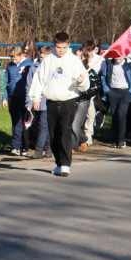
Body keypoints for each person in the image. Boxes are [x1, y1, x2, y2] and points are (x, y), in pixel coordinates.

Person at [27, 32, 89, 176]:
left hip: (68, 101)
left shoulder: (74, 61)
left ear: (68, 45)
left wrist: (81, 82)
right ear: (54, 46)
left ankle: (66, 164)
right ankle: (58, 163)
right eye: (58, 47)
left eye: (64, 47)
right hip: (51, 102)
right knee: (54, 133)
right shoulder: (48, 60)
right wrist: (36, 97)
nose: (61, 50)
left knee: (65, 132)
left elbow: (84, 84)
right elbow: (39, 79)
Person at [100, 54, 131, 148]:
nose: (117, 60)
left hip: (125, 92)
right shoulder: (109, 64)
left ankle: (121, 139)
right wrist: (107, 90)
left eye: (120, 58)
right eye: (116, 58)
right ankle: (115, 139)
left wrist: (130, 92)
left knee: (121, 114)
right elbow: (103, 77)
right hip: (113, 92)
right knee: (114, 115)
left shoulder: (130, 64)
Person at [71, 45, 102, 153]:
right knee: (69, 123)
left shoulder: (90, 71)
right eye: (76, 55)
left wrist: (84, 93)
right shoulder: (71, 70)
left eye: (80, 56)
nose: (77, 58)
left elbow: (96, 87)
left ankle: (74, 147)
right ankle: (84, 138)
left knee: (75, 124)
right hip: (71, 99)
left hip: (83, 100)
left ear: (84, 57)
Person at [25, 44, 53, 159]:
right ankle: (48, 146)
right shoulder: (33, 68)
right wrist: (29, 102)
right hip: (37, 101)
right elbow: (29, 85)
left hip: (48, 101)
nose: (42, 60)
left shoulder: (53, 69)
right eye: (41, 57)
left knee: (44, 125)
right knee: (42, 125)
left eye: (45, 58)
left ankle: (40, 148)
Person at [4, 46, 33, 156]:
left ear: (21, 55)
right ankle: (16, 145)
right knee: (15, 121)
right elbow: (6, 82)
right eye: (12, 59)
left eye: (16, 59)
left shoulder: (29, 65)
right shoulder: (10, 66)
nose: (14, 61)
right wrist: (5, 98)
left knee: (24, 122)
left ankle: (24, 145)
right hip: (13, 96)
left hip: (24, 97)